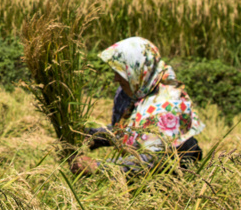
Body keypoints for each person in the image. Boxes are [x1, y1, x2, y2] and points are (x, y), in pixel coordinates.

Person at [72, 36, 204, 178]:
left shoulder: (166, 107)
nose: (116, 78)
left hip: (171, 177)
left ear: (139, 70)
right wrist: (92, 136)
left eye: (122, 72)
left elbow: (151, 160)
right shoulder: (136, 92)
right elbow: (127, 129)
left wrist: (98, 167)